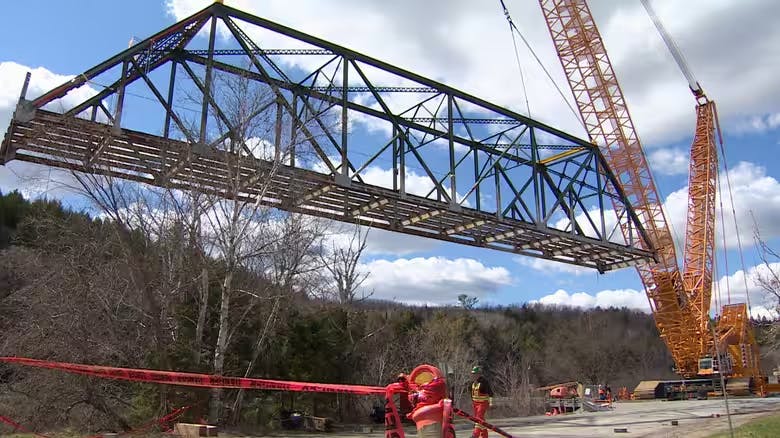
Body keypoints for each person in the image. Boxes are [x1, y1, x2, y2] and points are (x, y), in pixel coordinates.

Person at [469, 365, 493, 438]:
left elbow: (490, 393)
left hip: (483, 404)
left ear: (479, 374)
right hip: (475, 404)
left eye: (475, 374)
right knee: (481, 421)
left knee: (478, 419)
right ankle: (484, 436)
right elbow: (472, 394)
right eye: (473, 374)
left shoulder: (484, 382)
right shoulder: (472, 383)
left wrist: (491, 402)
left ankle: (475, 435)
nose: (474, 376)